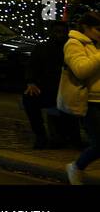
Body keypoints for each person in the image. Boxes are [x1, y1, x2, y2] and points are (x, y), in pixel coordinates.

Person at [23, 21, 79, 149]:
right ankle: (41, 136)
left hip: (66, 89)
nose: (59, 35)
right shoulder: (42, 48)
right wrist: (31, 82)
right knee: (29, 100)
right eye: (57, 32)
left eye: (62, 32)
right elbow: (32, 66)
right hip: (48, 89)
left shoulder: (70, 48)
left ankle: (70, 137)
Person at [61, 12, 100, 184]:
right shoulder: (74, 44)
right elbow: (81, 69)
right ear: (86, 28)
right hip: (91, 102)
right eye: (98, 29)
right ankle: (76, 166)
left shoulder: (96, 44)